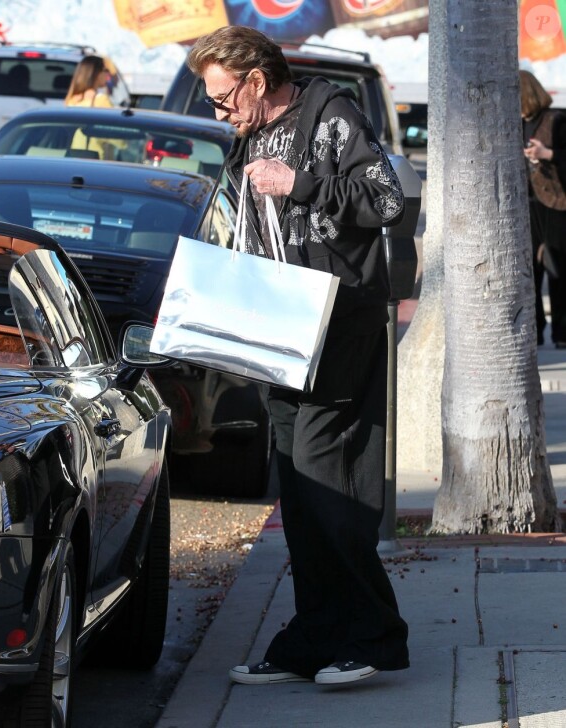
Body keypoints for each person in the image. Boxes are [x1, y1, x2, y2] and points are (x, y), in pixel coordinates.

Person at [187, 25, 409, 687]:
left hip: (337, 323)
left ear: (256, 79)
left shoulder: (330, 114)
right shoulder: (249, 136)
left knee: (325, 475)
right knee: (297, 486)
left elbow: (388, 200)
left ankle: (372, 635)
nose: (219, 112)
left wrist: (302, 182)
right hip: (275, 324)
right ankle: (313, 639)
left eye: (224, 99)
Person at [520, 69, 566, 347]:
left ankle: (562, 334)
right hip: (525, 204)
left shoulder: (556, 120)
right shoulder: (512, 123)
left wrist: (547, 154)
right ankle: (534, 331)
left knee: (559, 270)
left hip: (556, 206)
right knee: (528, 272)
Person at [65, 55, 118, 160]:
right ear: (95, 73)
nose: (107, 74)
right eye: (105, 70)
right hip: (98, 158)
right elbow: (116, 135)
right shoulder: (101, 100)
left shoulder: (71, 101)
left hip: (73, 156)